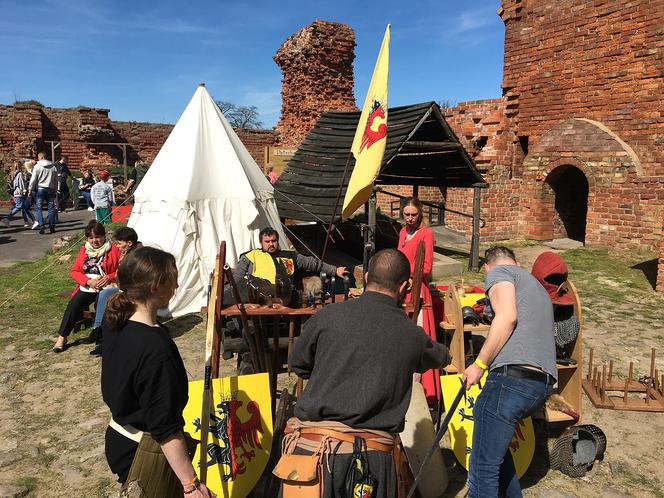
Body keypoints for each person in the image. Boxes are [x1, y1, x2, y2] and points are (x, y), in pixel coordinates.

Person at [282, 249, 451, 498]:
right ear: (405, 286)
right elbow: (441, 356)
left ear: (367, 277)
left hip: (313, 452)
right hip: (368, 462)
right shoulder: (411, 335)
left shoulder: (327, 316)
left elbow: (299, 364)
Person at [101, 247, 215, 497]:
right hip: (142, 449)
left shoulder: (115, 320)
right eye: (173, 277)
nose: (177, 284)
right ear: (154, 285)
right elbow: (164, 426)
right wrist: (191, 485)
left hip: (119, 436)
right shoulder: (155, 348)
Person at [463, 246, 557, 498]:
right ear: (517, 262)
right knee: (495, 455)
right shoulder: (536, 287)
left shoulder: (500, 272)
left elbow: (507, 316)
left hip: (511, 379)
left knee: (483, 467)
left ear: (487, 267)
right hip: (541, 382)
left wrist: (479, 364)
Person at [52, 220, 121, 352]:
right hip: (87, 286)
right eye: (91, 238)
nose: (94, 240)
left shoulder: (113, 250)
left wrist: (108, 277)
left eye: (97, 237)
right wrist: (87, 281)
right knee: (74, 304)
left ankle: (101, 337)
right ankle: (62, 337)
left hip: (106, 287)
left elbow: (121, 269)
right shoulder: (84, 250)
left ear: (104, 236)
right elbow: (74, 271)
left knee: (101, 303)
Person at [397, 197, 439, 404]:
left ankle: (423, 388)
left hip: (418, 290)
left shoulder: (426, 234)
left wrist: (404, 270)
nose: (410, 218)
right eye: (407, 214)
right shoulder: (403, 232)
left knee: (419, 336)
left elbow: (427, 267)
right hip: (403, 288)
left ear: (420, 213)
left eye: (414, 214)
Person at [87, 227, 141, 357]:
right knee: (104, 294)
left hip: (133, 291)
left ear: (129, 243)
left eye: (119, 243)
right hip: (123, 287)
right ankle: (98, 330)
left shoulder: (136, 256)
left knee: (110, 301)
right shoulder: (126, 253)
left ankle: (102, 336)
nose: (117, 245)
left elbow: (131, 278)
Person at [234, 226, 347, 286]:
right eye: (267, 241)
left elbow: (313, 263)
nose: (271, 244)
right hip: (257, 301)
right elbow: (237, 280)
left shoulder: (289, 256)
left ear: (277, 241)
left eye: (273, 241)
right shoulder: (250, 256)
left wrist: (334, 270)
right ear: (261, 242)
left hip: (284, 300)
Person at [28, 152, 58, 234]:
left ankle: (41, 225)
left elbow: (33, 179)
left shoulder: (37, 167)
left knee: (39, 208)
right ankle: (52, 226)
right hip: (51, 189)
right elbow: (56, 180)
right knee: (51, 208)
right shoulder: (53, 167)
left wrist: (30, 189)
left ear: (40, 157)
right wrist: (55, 189)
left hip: (40, 189)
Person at [2, 161, 37, 229]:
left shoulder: (13, 173)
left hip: (16, 192)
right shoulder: (20, 174)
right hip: (19, 192)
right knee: (19, 206)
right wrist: (23, 190)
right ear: (20, 166)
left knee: (23, 207)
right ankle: (7, 219)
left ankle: (28, 221)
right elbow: (20, 184)